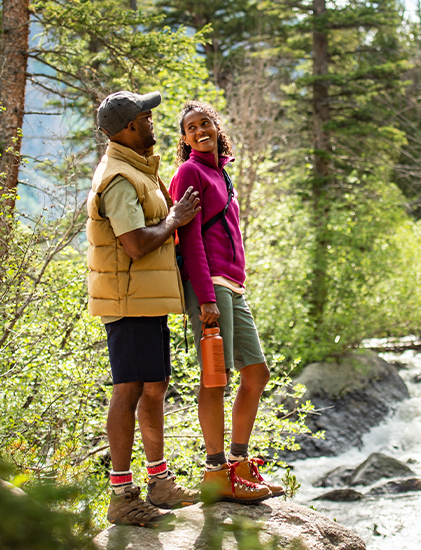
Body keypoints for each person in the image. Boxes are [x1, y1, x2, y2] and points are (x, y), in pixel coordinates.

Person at [86, 90, 202, 526]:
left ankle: (160, 483)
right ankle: (121, 496)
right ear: (130, 126)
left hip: (146, 298)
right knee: (130, 389)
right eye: (147, 117)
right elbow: (133, 245)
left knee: (154, 386)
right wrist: (175, 220)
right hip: (127, 300)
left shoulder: (138, 170)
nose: (154, 122)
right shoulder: (117, 178)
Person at [169, 101, 284, 504]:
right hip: (210, 287)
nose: (200, 130)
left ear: (216, 128)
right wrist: (204, 297)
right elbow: (191, 237)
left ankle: (239, 464)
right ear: (184, 139)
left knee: (257, 373)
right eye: (191, 128)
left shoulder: (221, 173)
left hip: (233, 287)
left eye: (205, 123)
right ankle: (216, 473)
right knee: (215, 379)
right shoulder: (189, 172)